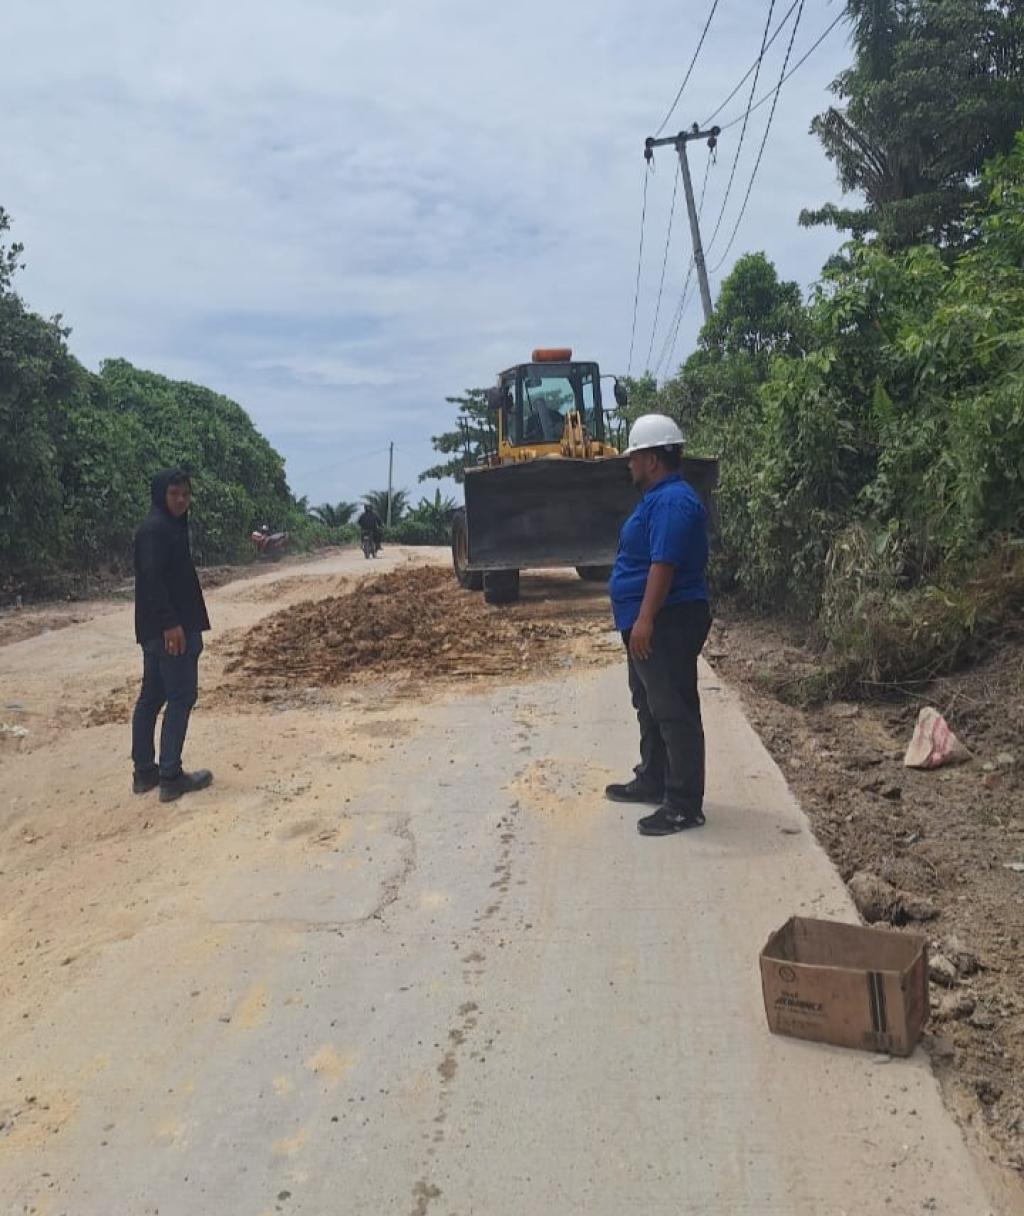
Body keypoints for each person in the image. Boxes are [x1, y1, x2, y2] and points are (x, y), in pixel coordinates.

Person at [605, 415, 711, 836]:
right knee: (648, 703)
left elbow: (662, 564)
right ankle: (654, 778)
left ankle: (684, 803)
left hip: (668, 618)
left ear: (651, 460)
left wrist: (646, 619)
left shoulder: (672, 501)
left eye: (633, 458)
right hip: (647, 620)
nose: (628, 465)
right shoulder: (658, 499)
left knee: (674, 709)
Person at [130, 469, 213, 803]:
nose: (181, 500)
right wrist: (170, 624)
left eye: (185, 494)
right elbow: (151, 579)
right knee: (180, 696)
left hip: (160, 628)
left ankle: (145, 773)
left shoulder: (171, 527)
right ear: (160, 495)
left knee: (152, 696)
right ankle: (170, 776)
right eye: (174, 493)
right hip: (169, 630)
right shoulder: (155, 530)